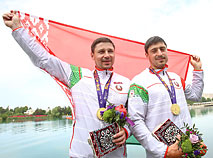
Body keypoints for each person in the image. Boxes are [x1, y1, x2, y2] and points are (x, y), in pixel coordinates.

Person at [3, 11, 130, 158]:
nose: (107, 55)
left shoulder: (126, 83)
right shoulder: (77, 75)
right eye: (101, 51)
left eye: (110, 51)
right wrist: (18, 30)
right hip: (81, 154)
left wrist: (126, 131)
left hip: (116, 154)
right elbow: (43, 59)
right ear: (92, 55)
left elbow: (134, 117)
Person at [128, 36, 204, 158]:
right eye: (154, 50)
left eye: (162, 49)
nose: (160, 53)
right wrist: (164, 151)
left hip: (188, 149)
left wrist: (197, 69)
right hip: (162, 153)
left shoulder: (176, 78)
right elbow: (135, 121)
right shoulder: (139, 82)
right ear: (146, 55)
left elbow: (195, 96)